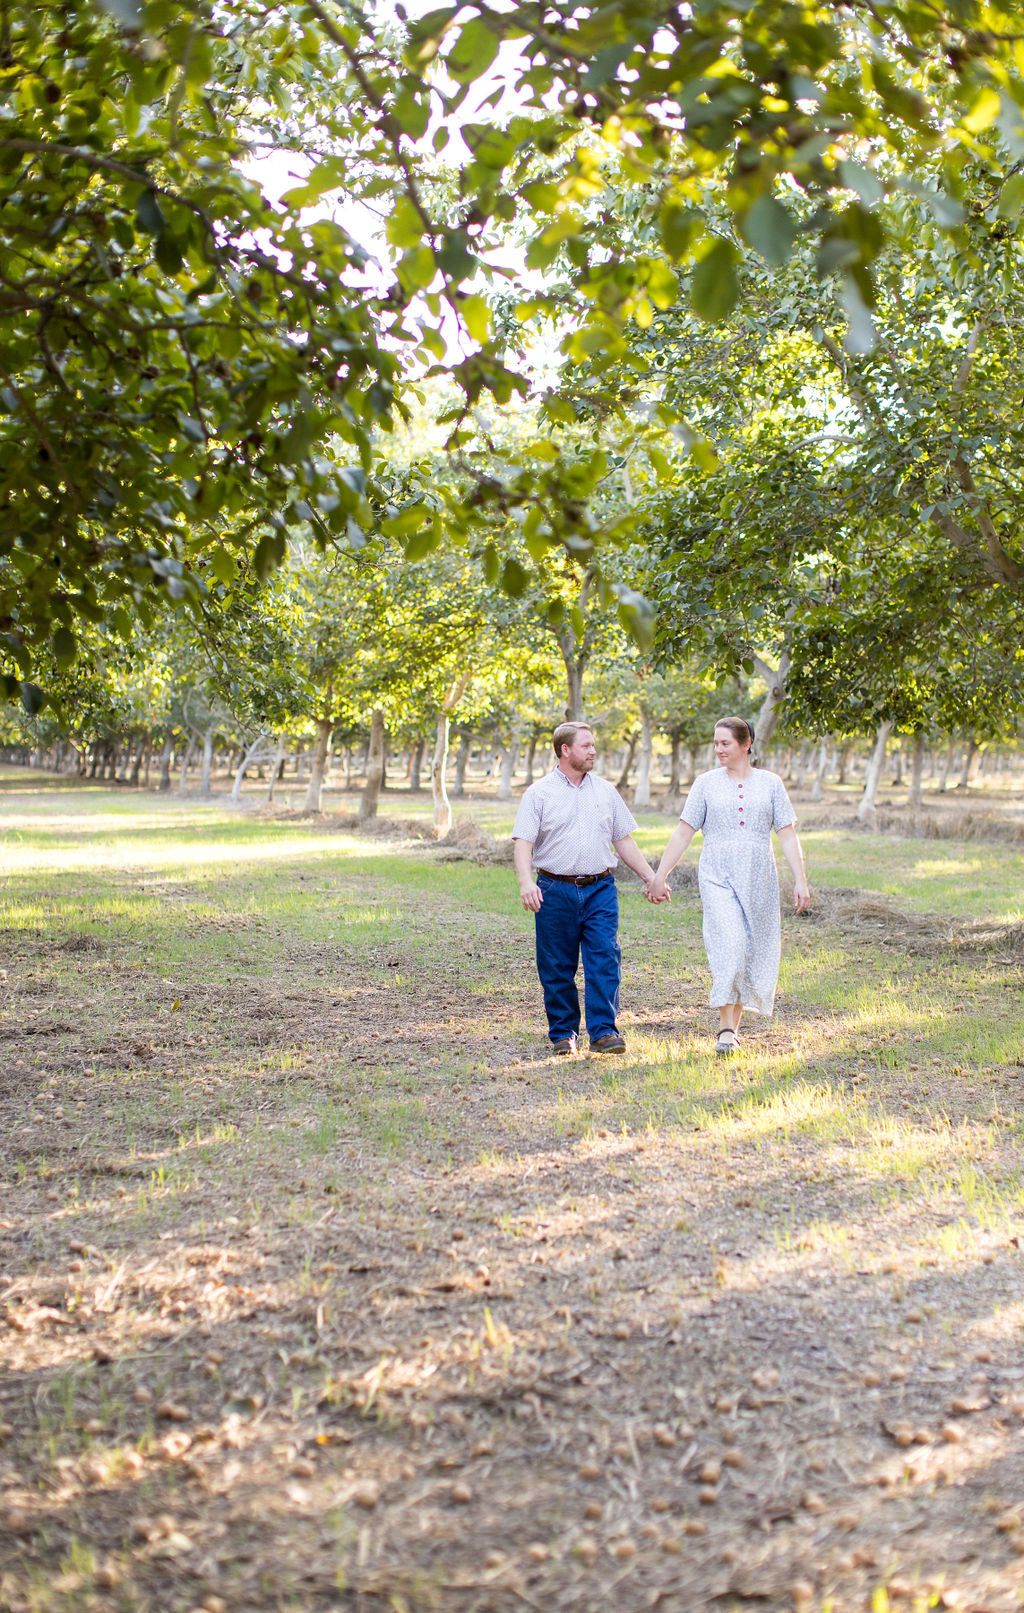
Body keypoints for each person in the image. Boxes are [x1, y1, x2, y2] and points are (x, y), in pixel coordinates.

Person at [647, 716, 810, 1055]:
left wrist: (801, 880)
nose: (718, 749)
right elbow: (683, 832)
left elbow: (787, 834)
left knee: (750, 951)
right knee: (730, 947)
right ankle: (724, 1029)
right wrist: (660, 874)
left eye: (725, 743)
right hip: (717, 875)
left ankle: (732, 1031)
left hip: (759, 877)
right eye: (715, 742)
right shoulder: (705, 784)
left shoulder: (770, 783)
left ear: (745, 744)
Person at [512, 721, 657, 1056]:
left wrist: (649, 876)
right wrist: (525, 883)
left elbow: (623, 840)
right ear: (565, 750)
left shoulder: (606, 791)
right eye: (586, 746)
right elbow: (524, 843)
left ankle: (604, 1031)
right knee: (556, 964)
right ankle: (564, 1033)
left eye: (593, 745)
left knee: (605, 958)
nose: (594, 751)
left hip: (600, 889)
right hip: (554, 889)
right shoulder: (539, 793)